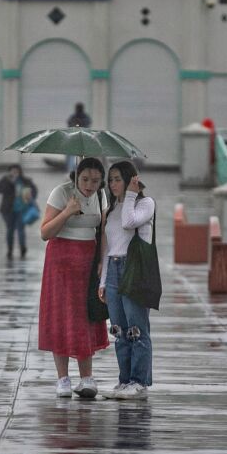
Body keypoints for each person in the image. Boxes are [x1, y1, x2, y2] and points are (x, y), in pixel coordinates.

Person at [39, 157, 109, 399]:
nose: (90, 185)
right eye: (85, 179)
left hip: (89, 262)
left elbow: (103, 232)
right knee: (62, 316)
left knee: (85, 316)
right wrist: (67, 212)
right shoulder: (61, 193)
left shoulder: (101, 197)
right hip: (61, 262)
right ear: (76, 177)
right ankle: (63, 379)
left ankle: (87, 378)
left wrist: (103, 261)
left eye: (96, 180)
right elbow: (45, 232)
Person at [98, 160, 156, 400]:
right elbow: (107, 249)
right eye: (110, 179)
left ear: (131, 179)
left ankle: (139, 382)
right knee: (119, 330)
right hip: (113, 269)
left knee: (136, 329)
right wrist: (102, 281)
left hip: (134, 270)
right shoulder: (111, 211)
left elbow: (129, 222)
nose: (112, 184)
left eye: (117, 179)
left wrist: (132, 195)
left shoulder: (146, 203)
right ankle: (124, 381)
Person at [0, 164, 37, 259]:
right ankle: (10, 250)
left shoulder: (25, 181)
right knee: (10, 230)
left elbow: (34, 191)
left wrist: (30, 196)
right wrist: (9, 182)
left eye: (16, 171)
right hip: (8, 210)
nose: (14, 173)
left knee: (21, 230)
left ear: (20, 171)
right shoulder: (6, 180)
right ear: (9, 172)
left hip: (22, 210)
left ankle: (23, 248)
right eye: (12, 171)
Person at [65, 103, 92, 174]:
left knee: (82, 157)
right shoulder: (73, 117)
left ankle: (81, 169)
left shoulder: (85, 117)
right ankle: (71, 171)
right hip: (74, 140)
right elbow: (69, 124)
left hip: (83, 141)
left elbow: (88, 124)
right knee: (71, 158)